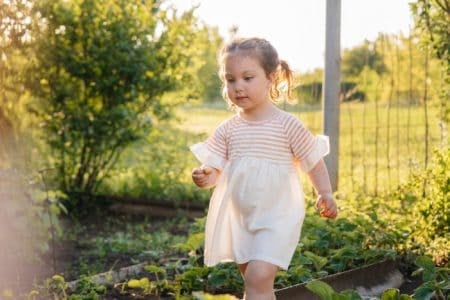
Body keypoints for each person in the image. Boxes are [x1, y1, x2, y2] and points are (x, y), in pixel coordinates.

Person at [190, 37, 338, 300]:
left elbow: (312, 161)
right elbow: (215, 169)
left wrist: (324, 192)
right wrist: (205, 175)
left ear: (271, 78)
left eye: (248, 78)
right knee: (255, 283)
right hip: (241, 219)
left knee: (258, 276)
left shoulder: (287, 125)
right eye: (231, 79)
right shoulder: (227, 130)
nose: (238, 87)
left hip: (277, 217)